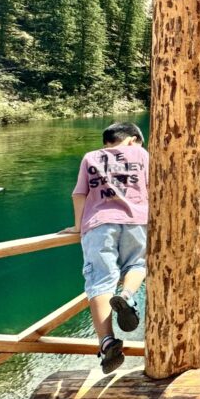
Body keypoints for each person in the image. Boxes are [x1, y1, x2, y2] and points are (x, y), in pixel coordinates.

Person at [63, 122, 149, 373]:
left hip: (98, 225)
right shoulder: (141, 154)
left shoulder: (90, 157)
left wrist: (77, 226)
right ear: (133, 139)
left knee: (100, 280)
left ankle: (107, 341)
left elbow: (79, 194)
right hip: (136, 221)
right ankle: (127, 296)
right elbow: (156, 188)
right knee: (137, 264)